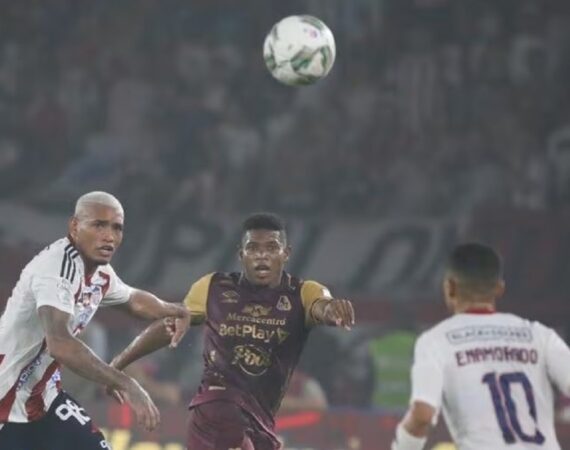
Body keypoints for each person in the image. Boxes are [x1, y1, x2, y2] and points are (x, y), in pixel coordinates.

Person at [109, 212, 355, 450]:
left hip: (261, 422)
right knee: (223, 409)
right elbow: (171, 324)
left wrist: (333, 310)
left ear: (286, 254)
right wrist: (117, 366)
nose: (262, 256)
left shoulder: (302, 293)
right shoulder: (213, 287)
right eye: (253, 248)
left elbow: (322, 305)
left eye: (271, 248)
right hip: (216, 411)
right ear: (241, 254)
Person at [0, 191, 189, 450]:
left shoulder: (99, 272)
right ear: (74, 226)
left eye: (116, 228)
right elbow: (60, 344)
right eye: (99, 225)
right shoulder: (56, 270)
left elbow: (132, 299)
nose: (109, 236)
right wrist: (125, 382)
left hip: (43, 400)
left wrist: (174, 309)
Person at [392, 243, 570, 450]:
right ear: (499, 288)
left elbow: (423, 416)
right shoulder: (539, 335)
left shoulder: (435, 341)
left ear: (450, 287)